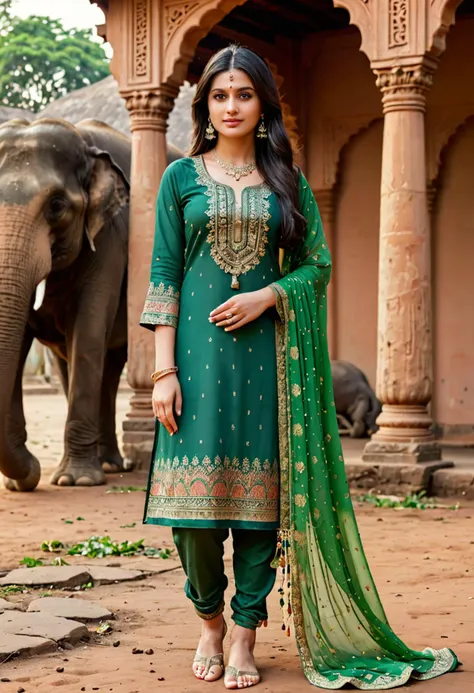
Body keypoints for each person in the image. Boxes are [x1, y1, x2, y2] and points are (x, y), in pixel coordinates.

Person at [140, 44, 458, 690]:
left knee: (259, 512)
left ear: (263, 106)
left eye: (244, 95)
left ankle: (245, 634)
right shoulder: (181, 179)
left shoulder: (285, 180)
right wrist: (163, 371)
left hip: (267, 365)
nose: (232, 106)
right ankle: (209, 620)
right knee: (192, 520)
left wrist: (269, 293)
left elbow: (318, 265)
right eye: (220, 95)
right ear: (205, 105)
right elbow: (164, 277)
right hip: (194, 371)